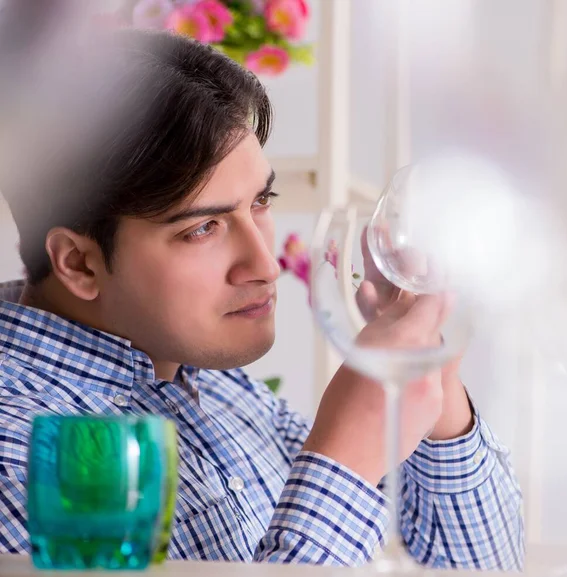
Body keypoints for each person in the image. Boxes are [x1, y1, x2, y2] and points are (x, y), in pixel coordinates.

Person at [0, 28, 523, 568]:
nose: (265, 265)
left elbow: (490, 566)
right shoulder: (19, 449)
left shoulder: (219, 387)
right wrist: (343, 460)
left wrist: (434, 383)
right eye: (202, 228)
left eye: (262, 202)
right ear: (79, 262)